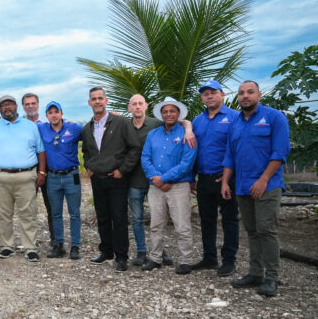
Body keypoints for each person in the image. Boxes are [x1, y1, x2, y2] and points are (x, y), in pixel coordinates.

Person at [222, 81, 290, 297]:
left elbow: (280, 151)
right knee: (252, 231)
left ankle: (272, 277)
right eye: (241, 93)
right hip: (243, 187)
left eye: (250, 92)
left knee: (266, 230)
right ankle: (255, 273)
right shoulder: (235, 123)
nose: (245, 96)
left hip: (267, 185)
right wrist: (225, 182)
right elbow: (230, 156)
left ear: (259, 95)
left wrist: (264, 179)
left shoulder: (274, 117)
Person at [125, 94, 195, 266]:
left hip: (178, 186)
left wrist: (164, 179)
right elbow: (145, 157)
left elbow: (186, 163)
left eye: (172, 111)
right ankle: (155, 258)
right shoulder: (153, 134)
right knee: (156, 225)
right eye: (165, 111)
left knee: (182, 226)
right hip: (155, 187)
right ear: (161, 114)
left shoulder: (187, 135)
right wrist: (155, 178)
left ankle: (186, 260)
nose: (169, 114)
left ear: (178, 114)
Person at [0, 95, 46, 262]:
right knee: (3, 214)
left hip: (25, 177)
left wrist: (42, 172)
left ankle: (30, 248)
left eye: (10, 104)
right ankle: (7, 246)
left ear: (16, 106)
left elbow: (41, 151)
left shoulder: (30, 126)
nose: (7, 107)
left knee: (28, 214)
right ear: (0, 109)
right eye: (3, 105)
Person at [81, 87, 141, 272]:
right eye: (94, 99)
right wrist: (89, 166)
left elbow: (134, 148)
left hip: (116, 179)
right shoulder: (87, 127)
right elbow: (86, 151)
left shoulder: (121, 122)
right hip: (97, 179)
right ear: (89, 103)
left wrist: (122, 170)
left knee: (119, 218)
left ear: (106, 101)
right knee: (103, 217)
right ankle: (106, 251)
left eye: (100, 98)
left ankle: (121, 257)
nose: (97, 101)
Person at [192, 80, 240, 277]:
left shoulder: (234, 117)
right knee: (207, 219)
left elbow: (237, 149)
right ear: (202, 98)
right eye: (205, 94)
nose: (209, 96)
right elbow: (193, 150)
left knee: (229, 220)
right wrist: (191, 177)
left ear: (222, 94)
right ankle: (209, 258)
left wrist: (229, 177)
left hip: (225, 178)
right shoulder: (197, 121)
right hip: (203, 179)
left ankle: (229, 260)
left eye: (213, 92)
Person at [39, 101, 83, 260]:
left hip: (72, 175)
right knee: (55, 213)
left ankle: (75, 246)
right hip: (53, 177)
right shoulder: (41, 128)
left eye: (56, 112)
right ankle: (58, 245)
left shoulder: (74, 128)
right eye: (50, 113)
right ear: (46, 116)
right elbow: (25, 127)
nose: (53, 115)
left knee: (74, 213)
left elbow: (93, 130)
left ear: (61, 113)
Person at [22, 93, 55, 245]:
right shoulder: (20, 125)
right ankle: (30, 241)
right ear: (23, 107)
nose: (30, 106)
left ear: (38, 105)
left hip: (48, 169)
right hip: (28, 169)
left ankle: (56, 241)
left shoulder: (49, 123)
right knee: (28, 208)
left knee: (52, 207)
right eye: (27, 104)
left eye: (33, 103)